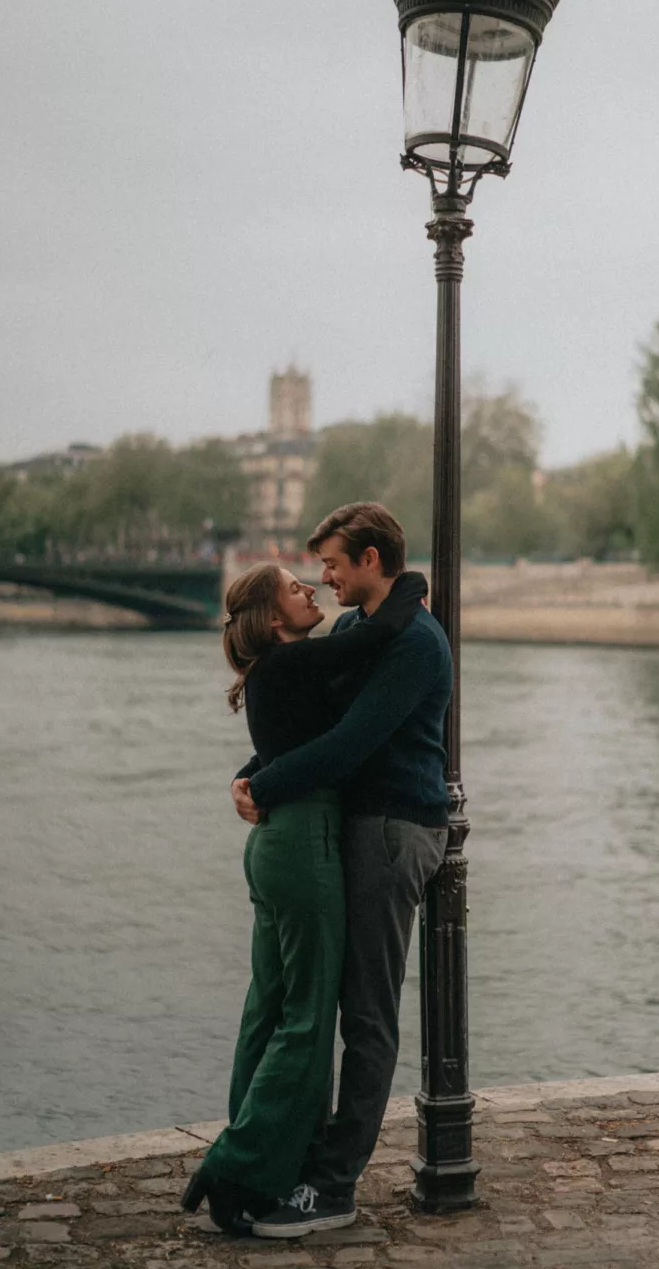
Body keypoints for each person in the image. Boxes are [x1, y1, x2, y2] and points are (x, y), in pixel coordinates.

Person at [181, 559, 426, 1235]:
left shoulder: (276, 674)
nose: (310, 588)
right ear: (272, 617)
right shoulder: (292, 664)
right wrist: (411, 584)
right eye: (295, 587)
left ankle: (265, 1166)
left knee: (268, 1008)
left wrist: (250, 779)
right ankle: (237, 1162)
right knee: (309, 1018)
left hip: (273, 845)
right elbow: (371, 642)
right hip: (303, 840)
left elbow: (292, 740)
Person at [234, 502, 452, 1241]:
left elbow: (353, 742)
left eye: (331, 563)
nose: (322, 579)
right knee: (322, 1001)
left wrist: (262, 787)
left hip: (394, 829)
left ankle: (333, 1187)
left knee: (364, 1012)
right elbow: (310, 722)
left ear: (369, 560)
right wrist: (250, 771)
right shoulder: (359, 629)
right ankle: (302, 1159)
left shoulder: (416, 642)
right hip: (353, 825)